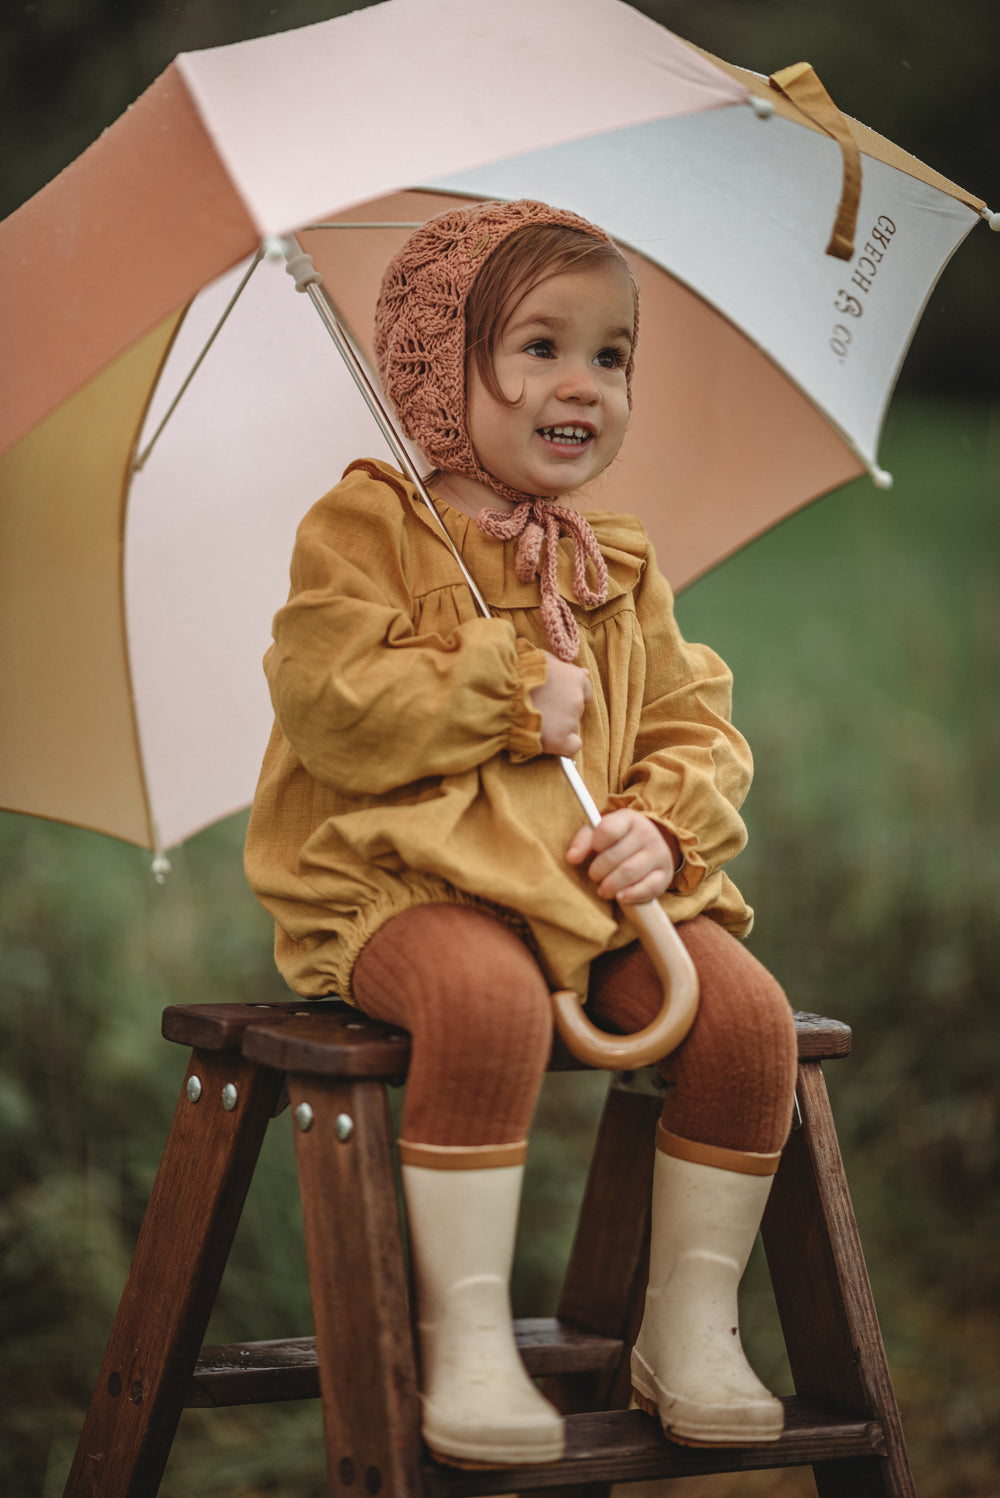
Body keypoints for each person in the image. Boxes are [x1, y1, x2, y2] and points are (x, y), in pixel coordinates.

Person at [245, 199, 798, 1465]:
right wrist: (500, 687)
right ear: (447, 369)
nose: (583, 384)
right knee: (485, 1001)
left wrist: (662, 826)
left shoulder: (616, 561)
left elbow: (692, 721)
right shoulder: (370, 527)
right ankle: (471, 1339)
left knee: (746, 1018)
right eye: (540, 346)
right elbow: (330, 701)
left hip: (579, 885)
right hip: (402, 886)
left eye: (611, 356)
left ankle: (688, 1322)